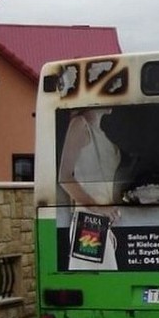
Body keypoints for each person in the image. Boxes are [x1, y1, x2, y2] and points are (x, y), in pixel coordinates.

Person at [58, 107, 120, 270]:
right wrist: (98, 207)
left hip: (100, 223)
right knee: (99, 284)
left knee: (104, 283)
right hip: (88, 224)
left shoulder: (101, 133)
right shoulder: (80, 124)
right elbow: (65, 177)